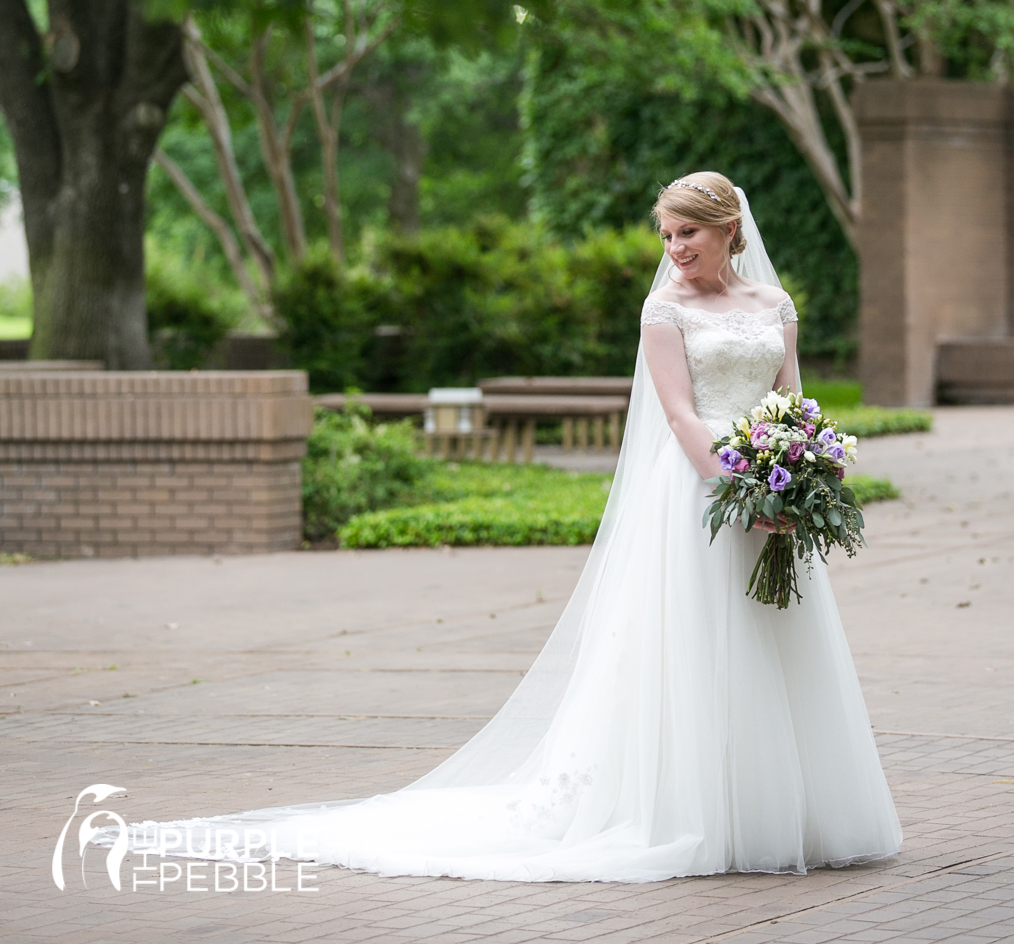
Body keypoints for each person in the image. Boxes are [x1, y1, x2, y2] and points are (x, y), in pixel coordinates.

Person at [110, 172, 901, 881]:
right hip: (699, 492)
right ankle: (698, 815)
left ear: (728, 227)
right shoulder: (663, 310)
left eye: (686, 233)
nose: (674, 248)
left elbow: (792, 398)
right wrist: (736, 488)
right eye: (665, 236)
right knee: (697, 645)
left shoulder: (774, 305)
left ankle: (788, 813)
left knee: (772, 639)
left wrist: (802, 475)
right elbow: (678, 413)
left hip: (772, 483)